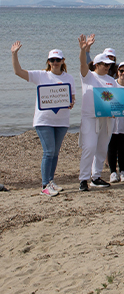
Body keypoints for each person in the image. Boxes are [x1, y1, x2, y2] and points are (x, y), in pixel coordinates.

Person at [11, 41, 75, 196]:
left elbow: (71, 99)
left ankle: (51, 181)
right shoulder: (41, 75)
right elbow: (18, 72)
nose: (55, 63)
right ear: (48, 62)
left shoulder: (69, 78)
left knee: (55, 153)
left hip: (61, 121)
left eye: (57, 60)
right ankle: (45, 185)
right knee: (49, 151)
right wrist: (14, 54)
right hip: (43, 120)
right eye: (52, 60)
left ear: (62, 61)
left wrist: (70, 103)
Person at [77, 34, 117, 191]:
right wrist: (83, 50)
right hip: (90, 117)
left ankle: (96, 177)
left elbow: (114, 99)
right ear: (96, 64)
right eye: (103, 64)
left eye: (108, 64)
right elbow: (82, 63)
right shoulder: (88, 76)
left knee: (102, 148)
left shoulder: (111, 80)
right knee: (90, 147)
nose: (107, 67)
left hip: (107, 118)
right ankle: (83, 179)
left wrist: (115, 111)